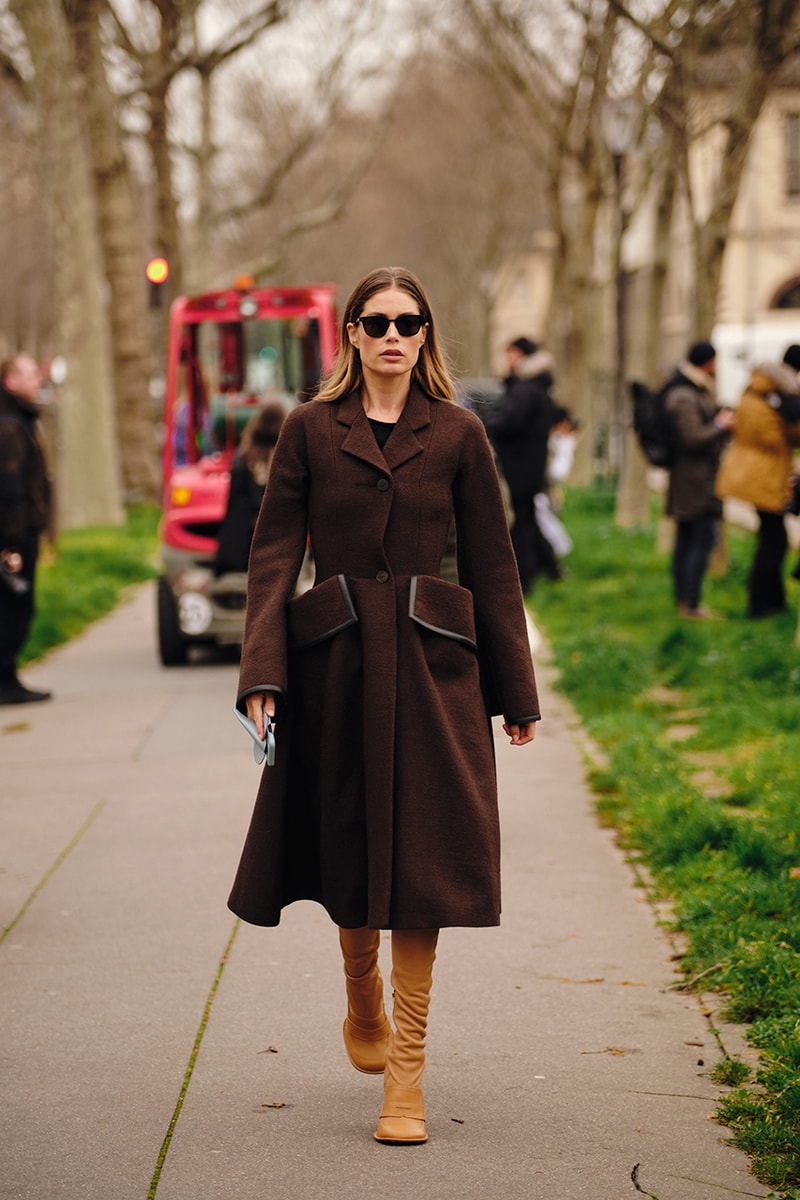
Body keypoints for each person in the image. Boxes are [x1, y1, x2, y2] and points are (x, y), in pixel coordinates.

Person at [228, 267, 539, 1146]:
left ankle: (406, 1077)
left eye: (410, 321)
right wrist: (263, 671)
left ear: (426, 334)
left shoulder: (461, 435)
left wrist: (515, 689)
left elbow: (493, 565)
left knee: (425, 855)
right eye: (377, 321)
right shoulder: (307, 432)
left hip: (436, 670)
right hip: (333, 666)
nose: (394, 334)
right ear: (354, 336)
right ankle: (357, 981)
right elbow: (271, 557)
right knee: (350, 839)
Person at [715, 348, 800, 617]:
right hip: (765, 474)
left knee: (771, 538)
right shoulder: (775, 396)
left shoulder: (754, 390)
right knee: (773, 542)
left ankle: (772, 602)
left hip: (753, 473)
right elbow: (776, 437)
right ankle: (763, 606)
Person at [662, 340, 735, 619]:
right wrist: (720, 426)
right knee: (700, 540)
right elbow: (691, 438)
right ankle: (690, 604)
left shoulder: (692, 390)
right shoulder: (684, 395)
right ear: (708, 362)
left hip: (695, 479)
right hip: (694, 481)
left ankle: (685, 601)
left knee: (689, 540)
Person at [485, 336, 560, 590]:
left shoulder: (524, 390)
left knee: (520, 522)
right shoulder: (537, 387)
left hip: (519, 468)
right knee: (527, 518)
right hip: (530, 467)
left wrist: (482, 423)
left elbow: (507, 422)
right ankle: (550, 570)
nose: (509, 360)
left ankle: (525, 578)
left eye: (513, 354)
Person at [0, 353, 53, 704]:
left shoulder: (21, 420)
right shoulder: (9, 426)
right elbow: (9, 489)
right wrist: (12, 545)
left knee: (19, 608)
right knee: (13, 608)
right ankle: (5, 682)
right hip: (14, 540)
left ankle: (8, 678)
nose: (38, 380)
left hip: (20, 535)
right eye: (30, 374)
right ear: (10, 382)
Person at [213, 401, 286, 576]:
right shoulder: (284, 453)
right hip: (275, 539)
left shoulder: (244, 453)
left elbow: (235, 498)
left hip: (240, 540)